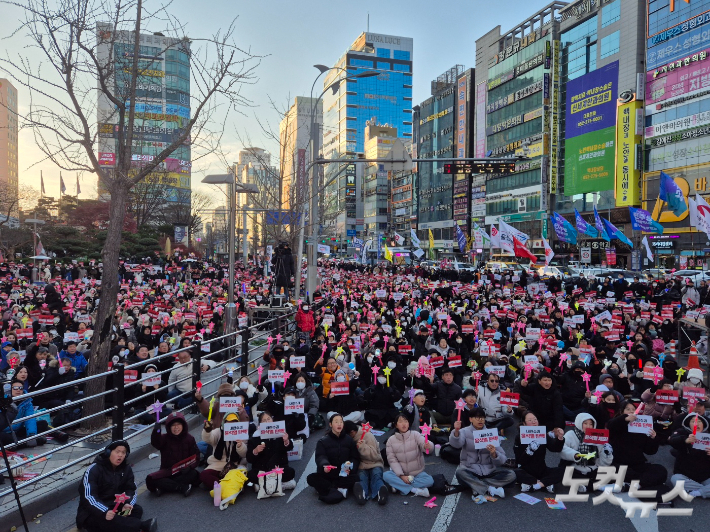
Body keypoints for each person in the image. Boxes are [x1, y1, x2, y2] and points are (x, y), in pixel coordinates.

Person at [76, 440, 157, 532]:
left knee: (137, 510)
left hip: (113, 505)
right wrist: (105, 512)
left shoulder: (126, 469)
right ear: (108, 452)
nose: (120, 455)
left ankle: (124, 526)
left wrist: (128, 503)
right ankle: (141, 526)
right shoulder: (94, 470)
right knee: (107, 519)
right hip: (93, 512)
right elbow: (88, 497)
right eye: (117, 452)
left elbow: (131, 489)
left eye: (123, 453)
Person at [449, 407, 515, 503]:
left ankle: (477, 486)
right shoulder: (464, 431)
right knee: (460, 472)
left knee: (511, 475)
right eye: (477, 417)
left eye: (482, 418)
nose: (480, 420)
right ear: (470, 419)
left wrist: (494, 454)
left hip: (489, 471)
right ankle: (490, 488)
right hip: (470, 469)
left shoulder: (491, 433)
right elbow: (456, 444)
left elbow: (503, 459)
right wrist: (456, 431)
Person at [608, 400, 668, 497]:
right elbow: (611, 425)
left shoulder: (641, 429)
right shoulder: (617, 425)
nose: (631, 412)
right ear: (621, 412)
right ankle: (640, 483)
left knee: (661, 470)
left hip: (637, 465)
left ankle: (636, 485)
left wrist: (653, 438)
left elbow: (650, 451)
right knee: (614, 470)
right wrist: (625, 419)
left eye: (633, 409)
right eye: (628, 409)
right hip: (619, 464)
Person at [307, 413, 360, 504]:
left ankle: (330, 489)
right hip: (329, 473)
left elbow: (355, 457)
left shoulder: (349, 440)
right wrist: (325, 465)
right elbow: (320, 456)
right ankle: (340, 489)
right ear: (330, 424)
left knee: (356, 477)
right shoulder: (323, 441)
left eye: (341, 422)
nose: (339, 424)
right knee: (311, 478)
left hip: (343, 474)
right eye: (336, 422)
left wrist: (350, 468)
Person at [146, 413, 200, 497]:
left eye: (178, 424)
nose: (176, 427)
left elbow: (196, 456)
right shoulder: (164, 438)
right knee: (151, 479)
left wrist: (190, 467)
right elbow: (156, 443)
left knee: (195, 475)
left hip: (183, 471)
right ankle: (181, 487)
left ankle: (165, 487)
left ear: (183, 425)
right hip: (168, 471)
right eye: (173, 425)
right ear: (168, 427)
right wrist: (156, 431)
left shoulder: (190, 438)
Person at [383, 413, 434, 497]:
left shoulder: (415, 435)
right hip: (400, 474)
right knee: (385, 475)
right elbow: (392, 460)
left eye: (405, 421)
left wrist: (428, 446)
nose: (404, 424)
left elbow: (425, 445)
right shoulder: (391, 440)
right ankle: (415, 490)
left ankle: (399, 486)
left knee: (430, 480)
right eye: (400, 422)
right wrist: (402, 476)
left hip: (417, 473)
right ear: (396, 425)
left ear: (408, 423)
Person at [513, 411, 565, 493]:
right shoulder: (519, 437)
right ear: (524, 423)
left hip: (541, 469)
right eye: (530, 420)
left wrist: (560, 438)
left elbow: (555, 449)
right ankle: (545, 483)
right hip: (526, 470)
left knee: (563, 471)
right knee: (515, 473)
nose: (534, 421)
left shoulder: (542, 434)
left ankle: (535, 485)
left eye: (535, 419)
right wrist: (529, 450)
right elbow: (519, 460)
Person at [561, 413, 614, 488]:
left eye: (591, 424)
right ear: (579, 422)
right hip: (575, 467)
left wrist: (607, 453)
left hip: (592, 468)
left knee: (612, 472)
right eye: (585, 423)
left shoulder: (596, 437)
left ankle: (587, 486)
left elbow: (603, 463)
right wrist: (575, 455)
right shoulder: (570, 434)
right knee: (566, 473)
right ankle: (598, 487)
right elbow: (562, 449)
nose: (588, 426)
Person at [246, 411, 296, 489]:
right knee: (251, 474)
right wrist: (255, 451)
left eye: (268, 419)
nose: (267, 422)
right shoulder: (254, 438)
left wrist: (286, 441)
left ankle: (264, 485)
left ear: (272, 420)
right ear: (260, 424)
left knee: (290, 472)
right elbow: (249, 458)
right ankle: (279, 485)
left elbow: (290, 447)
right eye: (264, 420)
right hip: (262, 470)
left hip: (278, 469)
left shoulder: (280, 434)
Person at [345, 420, 387, 505]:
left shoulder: (367, 435)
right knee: (361, 477)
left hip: (375, 463)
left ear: (352, 432)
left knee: (376, 476)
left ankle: (380, 491)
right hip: (362, 465)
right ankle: (362, 493)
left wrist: (362, 447)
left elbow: (374, 456)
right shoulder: (350, 440)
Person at [669, 412, 710, 498]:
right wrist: (685, 440)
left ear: (704, 424)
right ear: (688, 424)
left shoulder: (708, 436)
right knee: (675, 479)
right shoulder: (682, 432)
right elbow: (672, 440)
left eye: (699, 421)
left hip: (706, 476)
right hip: (685, 474)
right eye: (693, 421)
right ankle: (705, 490)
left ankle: (698, 492)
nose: (696, 424)